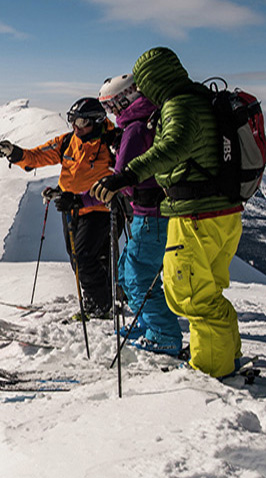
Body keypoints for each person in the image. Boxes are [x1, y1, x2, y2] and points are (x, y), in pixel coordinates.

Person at [91, 47, 243, 378]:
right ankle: (226, 356)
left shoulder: (180, 105)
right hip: (222, 212)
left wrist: (127, 175)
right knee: (207, 290)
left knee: (189, 293)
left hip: (198, 215)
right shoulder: (198, 100)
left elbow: (172, 147)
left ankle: (211, 369)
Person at [0, 98, 120, 320]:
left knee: (85, 256)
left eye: (82, 122)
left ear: (97, 121)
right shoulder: (68, 142)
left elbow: (122, 181)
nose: (76, 127)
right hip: (70, 209)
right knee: (78, 258)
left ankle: (101, 305)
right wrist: (14, 153)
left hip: (100, 210)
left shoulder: (112, 144)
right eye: (73, 120)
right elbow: (38, 155)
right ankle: (105, 298)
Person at [97, 74, 183, 356]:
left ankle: (163, 335)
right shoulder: (152, 120)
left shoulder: (135, 129)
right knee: (126, 271)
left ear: (124, 99)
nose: (112, 113)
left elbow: (123, 174)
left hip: (151, 215)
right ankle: (147, 324)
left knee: (139, 278)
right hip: (152, 213)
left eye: (111, 107)